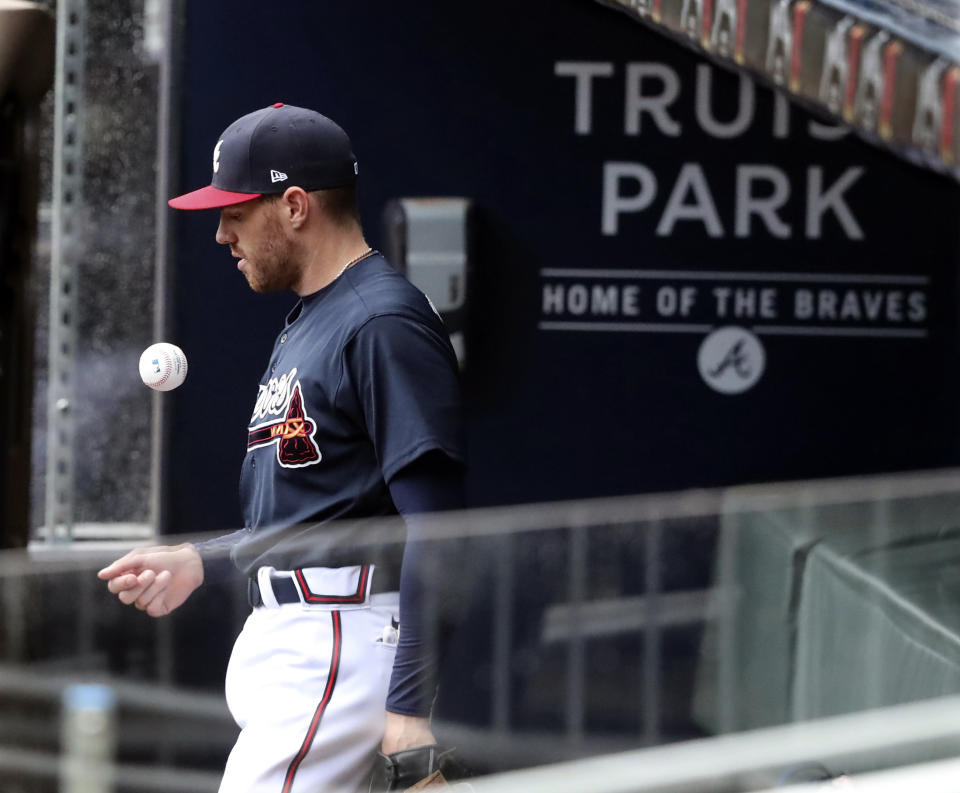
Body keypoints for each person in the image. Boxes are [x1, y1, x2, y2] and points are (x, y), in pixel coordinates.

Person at [98, 103, 467, 793]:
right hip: (302, 638)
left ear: (294, 205)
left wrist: (410, 709)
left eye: (236, 211)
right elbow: (323, 510)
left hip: (338, 639)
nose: (220, 232)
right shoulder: (312, 319)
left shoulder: (381, 321)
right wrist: (202, 560)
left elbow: (441, 526)